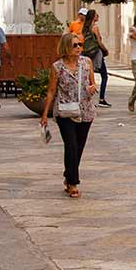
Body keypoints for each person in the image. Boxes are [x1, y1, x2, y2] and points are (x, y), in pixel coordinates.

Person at [39, 32, 97, 198]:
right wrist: (45, 114)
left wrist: (92, 88)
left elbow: (92, 83)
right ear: (66, 47)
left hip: (85, 109)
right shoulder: (57, 67)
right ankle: (73, 183)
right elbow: (51, 91)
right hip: (64, 111)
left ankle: (68, 175)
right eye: (75, 45)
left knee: (79, 147)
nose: (79, 48)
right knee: (70, 145)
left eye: (80, 45)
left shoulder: (87, 63)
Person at [79, 8, 111, 107]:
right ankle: (101, 98)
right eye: (96, 15)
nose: (98, 16)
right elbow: (98, 42)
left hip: (87, 54)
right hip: (96, 54)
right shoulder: (95, 27)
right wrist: (105, 50)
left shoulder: (85, 27)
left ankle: (86, 98)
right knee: (104, 76)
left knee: (87, 77)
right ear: (93, 17)